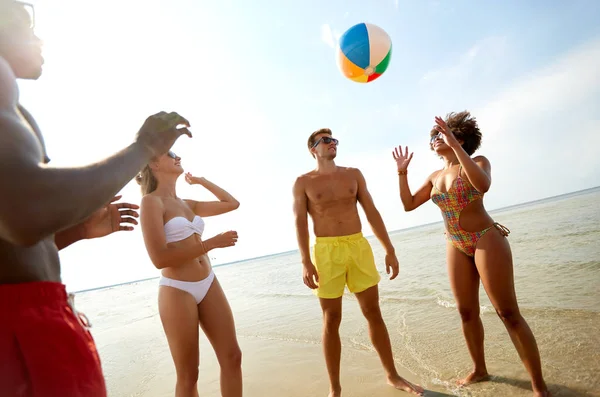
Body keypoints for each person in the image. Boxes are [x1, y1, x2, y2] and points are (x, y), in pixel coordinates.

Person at [0, 1, 192, 396]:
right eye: (26, 23)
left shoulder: (17, 111)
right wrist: (143, 147)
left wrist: (78, 230)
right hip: (20, 326)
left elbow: (16, 231)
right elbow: (26, 210)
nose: (38, 36)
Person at [392, 112, 550, 397]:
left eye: (439, 134)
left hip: (486, 239)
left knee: (508, 313)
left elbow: (483, 185)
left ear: (459, 137)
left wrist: (454, 147)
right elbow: (408, 204)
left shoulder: (477, 162)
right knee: (466, 312)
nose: (434, 140)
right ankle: (480, 369)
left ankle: (539, 387)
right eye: (433, 136)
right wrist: (402, 172)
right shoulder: (434, 176)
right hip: (456, 244)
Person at [292, 128, 424, 397]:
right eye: (326, 141)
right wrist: (306, 260)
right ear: (313, 150)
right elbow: (300, 222)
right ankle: (335, 389)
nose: (332, 143)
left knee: (373, 312)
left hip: (357, 246)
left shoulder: (353, 174)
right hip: (327, 252)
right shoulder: (303, 182)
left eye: (334, 140)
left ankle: (392, 375)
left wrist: (389, 248)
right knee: (331, 318)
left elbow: (371, 211)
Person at [137, 151, 241, 397]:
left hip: (208, 282)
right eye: (169, 153)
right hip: (177, 288)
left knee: (233, 357)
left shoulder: (187, 203)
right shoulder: (151, 202)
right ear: (153, 163)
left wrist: (201, 181)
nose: (177, 156)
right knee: (189, 375)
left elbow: (232, 203)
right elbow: (158, 258)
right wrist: (210, 244)